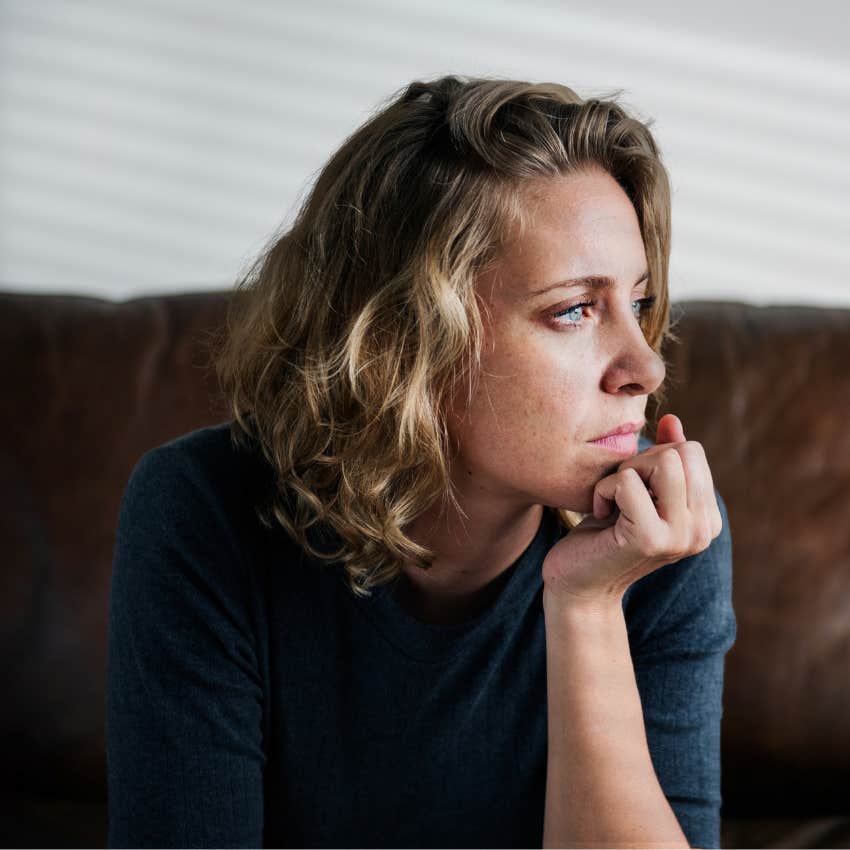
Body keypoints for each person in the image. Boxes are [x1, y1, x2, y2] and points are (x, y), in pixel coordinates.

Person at [106, 75, 737, 848]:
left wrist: (586, 607)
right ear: (405, 341)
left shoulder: (661, 535)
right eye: (574, 309)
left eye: (637, 304)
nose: (645, 366)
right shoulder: (203, 510)